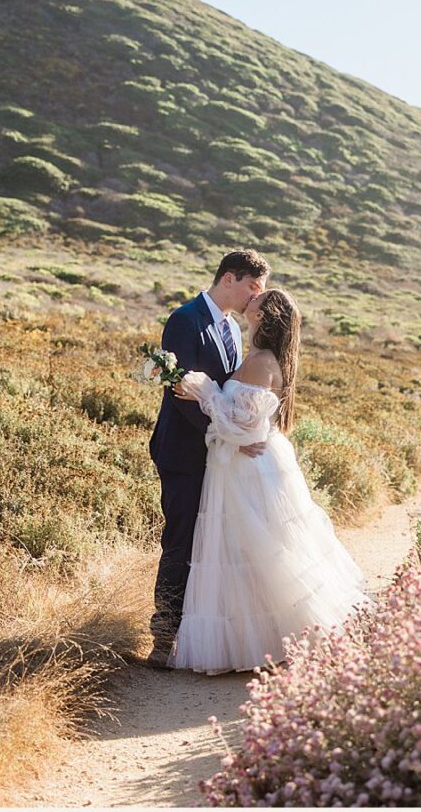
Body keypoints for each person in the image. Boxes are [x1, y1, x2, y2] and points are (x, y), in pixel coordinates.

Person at [168, 288, 368, 673]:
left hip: (250, 467)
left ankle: (289, 635)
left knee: (263, 550)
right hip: (239, 465)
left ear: (265, 315)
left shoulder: (261, 362)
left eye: (260, 298)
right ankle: (262, 640)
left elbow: (243, 428)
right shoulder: (257, 356)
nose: (253, 297)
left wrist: (204, 390)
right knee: (246, 552)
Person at [145, 249, 270, 669]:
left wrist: (235, 437)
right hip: (184, 450)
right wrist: (227, 437)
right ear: (230, 278)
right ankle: (162, 640)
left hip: (220, 458)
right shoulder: (185, 319)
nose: (257, 296)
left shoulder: (233, 329)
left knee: (213, 544)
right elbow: (180, 397)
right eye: (254, 286)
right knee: (180, 541)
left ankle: (210, 638)